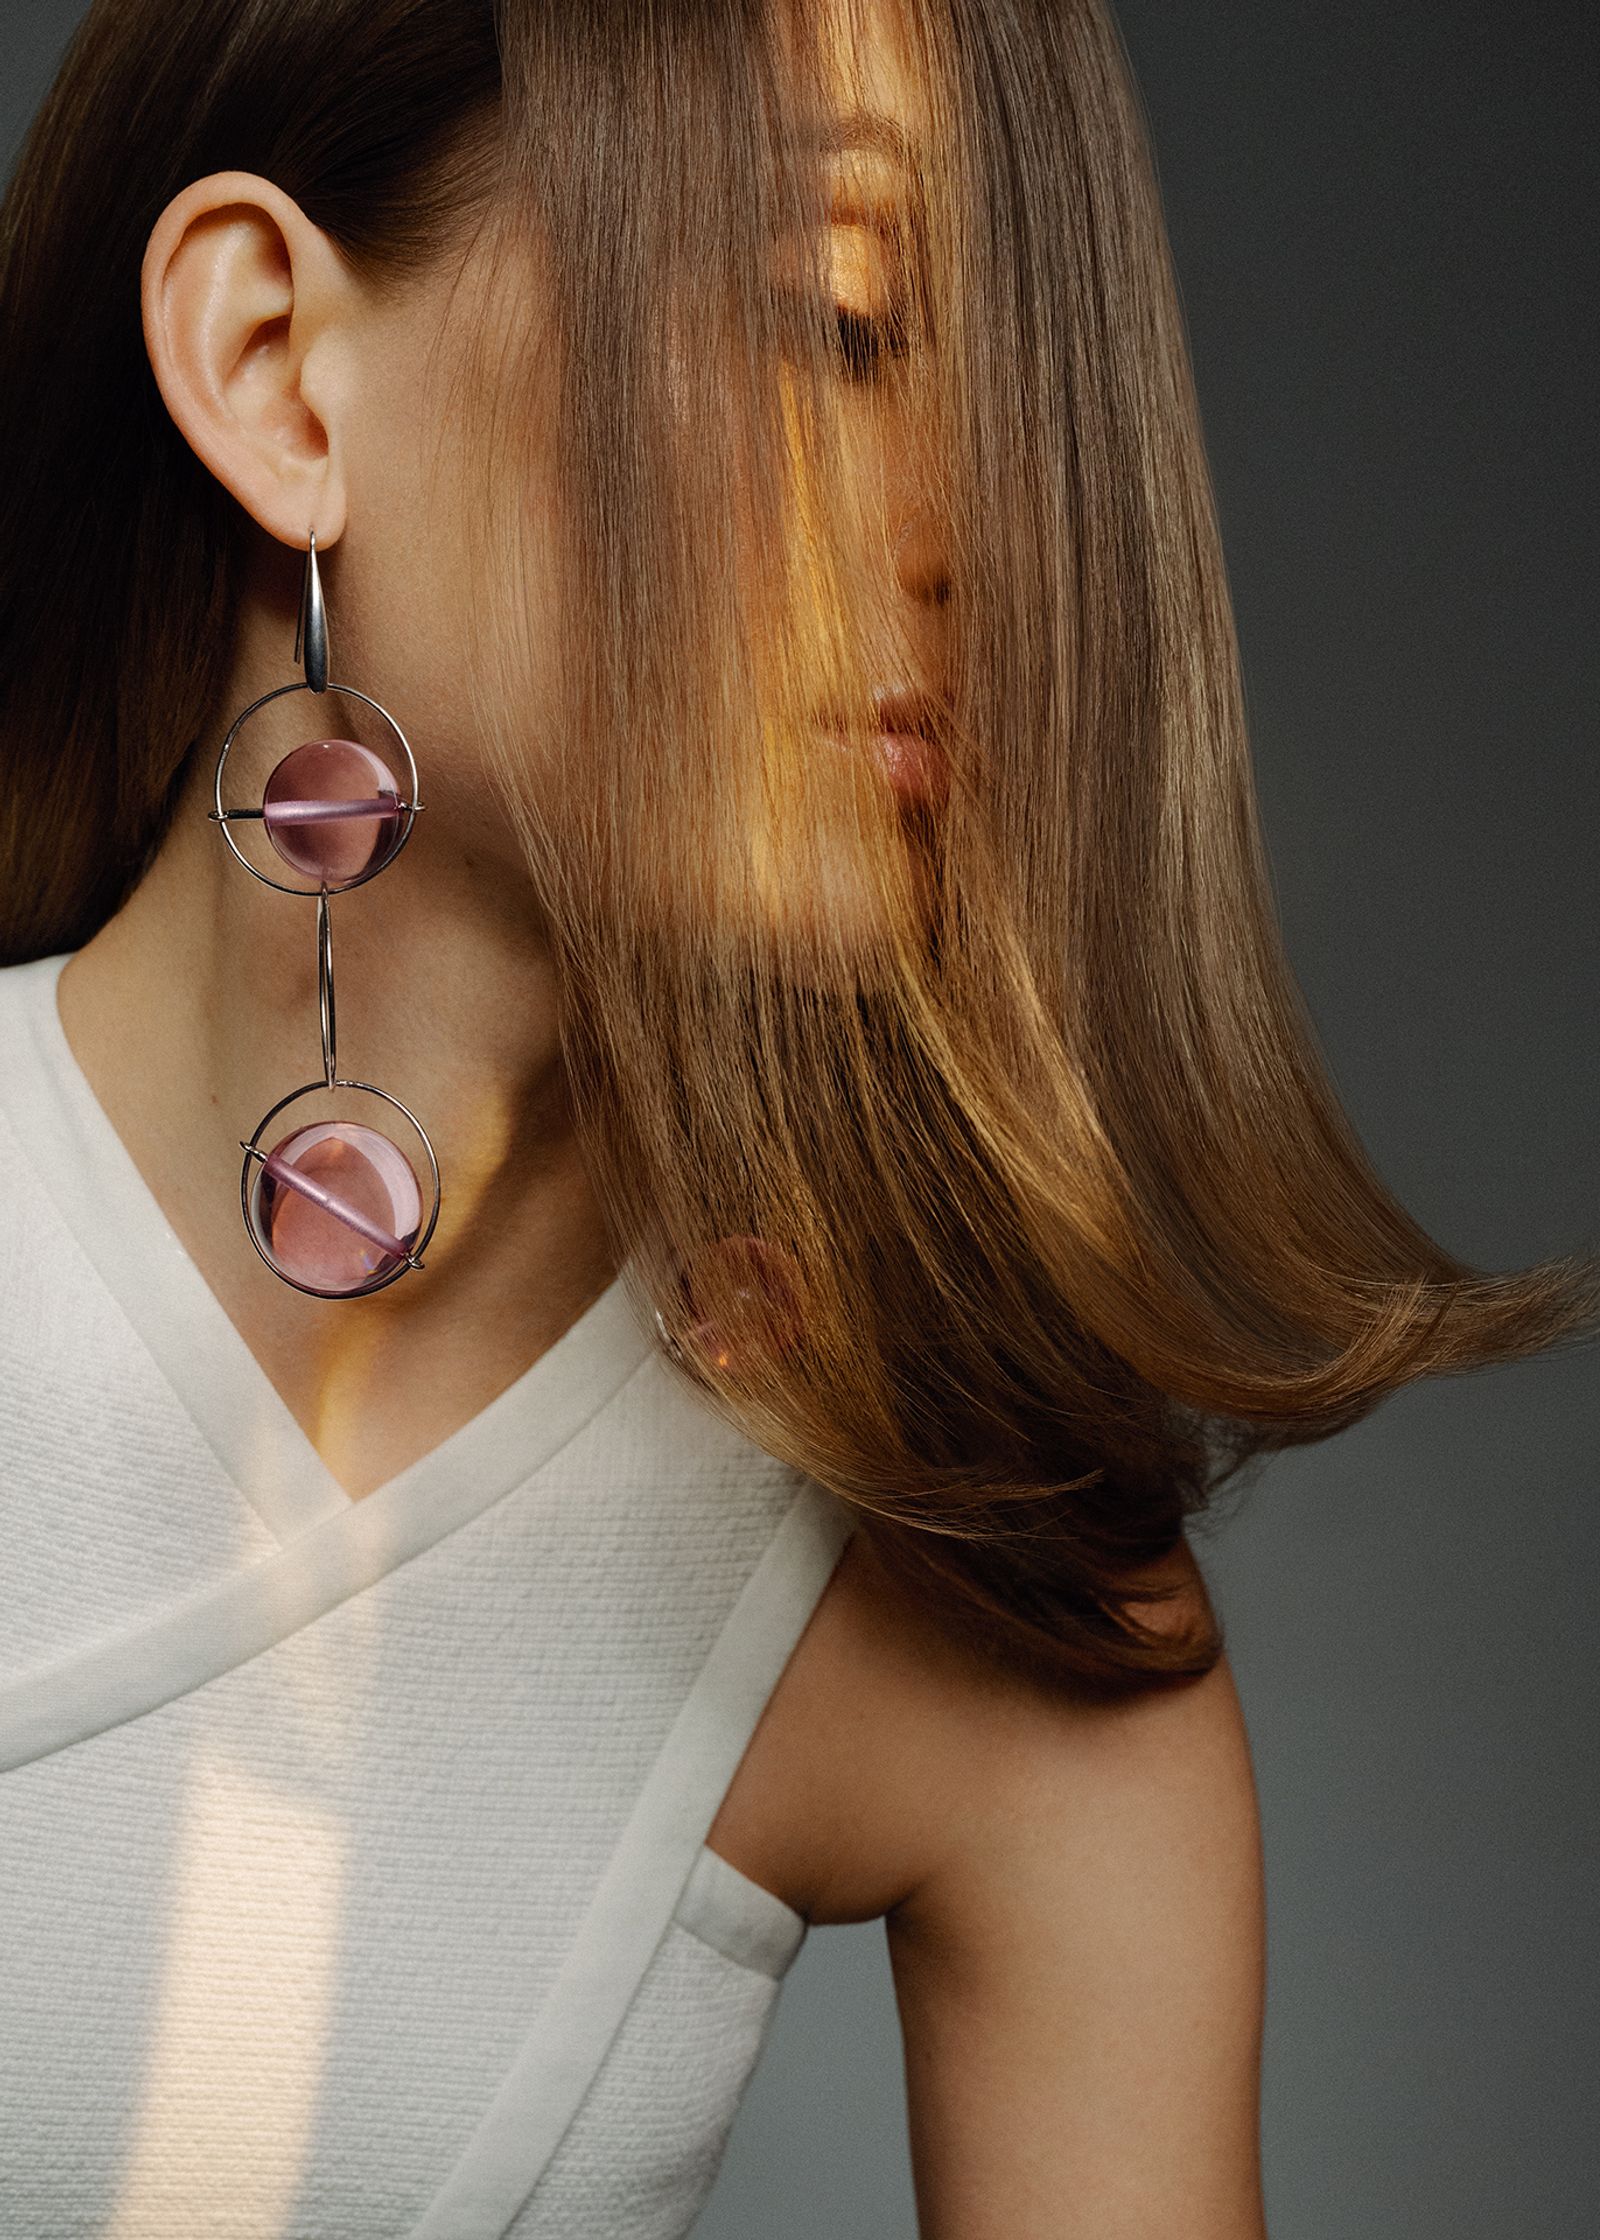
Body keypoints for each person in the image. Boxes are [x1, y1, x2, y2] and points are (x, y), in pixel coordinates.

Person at [0, 1, 1592, 2234]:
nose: (983, 529)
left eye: (1023, 385)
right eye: (838, 322)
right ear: (276, 367)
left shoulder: (972, 1592)